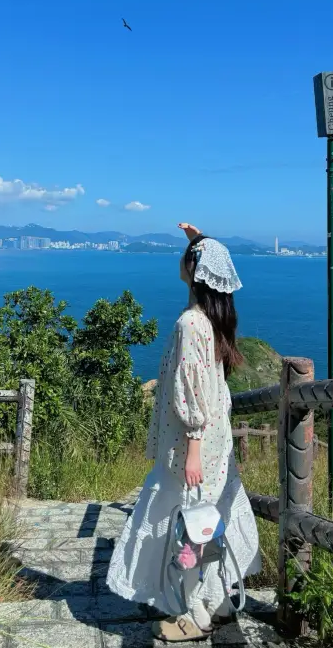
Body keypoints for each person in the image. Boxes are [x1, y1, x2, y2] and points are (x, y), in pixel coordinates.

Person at [107, 223, 261, 642]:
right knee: (207, 519)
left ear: (194, 269)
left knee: (189, 524)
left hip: (191, 445)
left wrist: (192, 445)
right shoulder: (209, 320)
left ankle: (195, 615)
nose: (181, 259)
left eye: (188, 256)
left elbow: (190, 392)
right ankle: (220, 602)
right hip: (213, 442)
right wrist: (199, 241)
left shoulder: (191, 323)